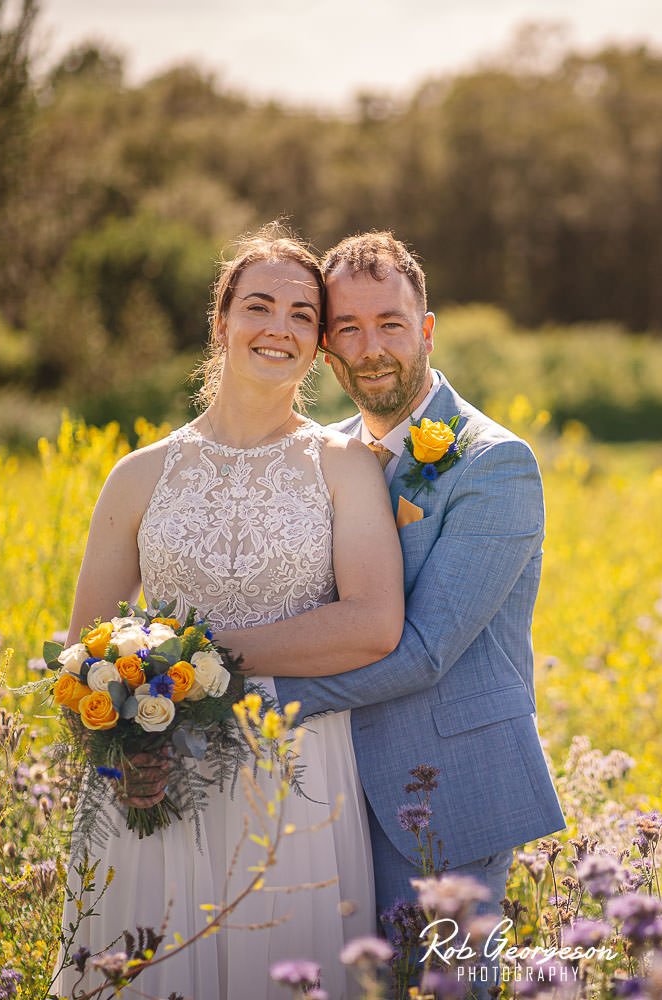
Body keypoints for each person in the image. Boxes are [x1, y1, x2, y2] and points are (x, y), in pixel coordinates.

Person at [55, 225, 404, 1000]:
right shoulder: (138, 475)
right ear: (221, 321)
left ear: (318, 345)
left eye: (303, 315)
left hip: (295, 770)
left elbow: (375, 623)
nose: (279, 327)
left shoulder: (345, 467)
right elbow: (82, 652)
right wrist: (121, 749)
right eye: (258, 305)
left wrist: (202, 663)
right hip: (158, 775)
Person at [211, 232, 568, 955]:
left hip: (447, 795)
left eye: (391, 325)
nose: (371, 347)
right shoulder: (326, 452)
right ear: (327, 347)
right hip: (326, 786)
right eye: (348, 327)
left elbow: (426, 651)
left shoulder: (494, 464)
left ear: (427, 331)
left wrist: (241, 697)